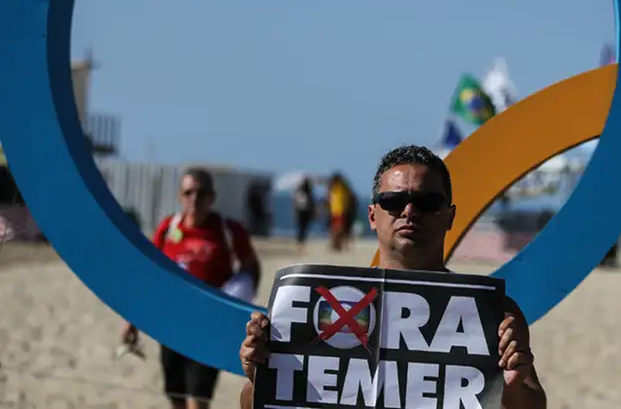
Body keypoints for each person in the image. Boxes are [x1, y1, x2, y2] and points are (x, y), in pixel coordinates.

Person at [238, 145, 547, 409]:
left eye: (427, 202)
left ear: (450, 216)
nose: (410, 211)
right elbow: (255, 403)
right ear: (372, 215)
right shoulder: (309, 304)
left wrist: (511, 385)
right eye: (393, 201)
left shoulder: (492, 313)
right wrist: (259, 376)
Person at [121, 167, 262, 409]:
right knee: (176, 399)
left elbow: (251, 268)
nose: (194, 199)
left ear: (212, 198)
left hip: (209, 328)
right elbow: (149, 275)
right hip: (172, 325)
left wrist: (240, 295)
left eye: (201, 193)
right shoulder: (168, 228)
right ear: (180, 196)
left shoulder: (228, 230)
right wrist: (131, 320)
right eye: (188, 193)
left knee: (198, 401)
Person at [292, 177, 316, 253]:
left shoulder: (299, 193)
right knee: (303, 228)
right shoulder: (308, 193)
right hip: (305, 212)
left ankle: (300, 242)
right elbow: (312, 205)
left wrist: (295, 214)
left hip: (301, 212)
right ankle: (301, 242)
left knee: (301, 228)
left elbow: (295, 204)